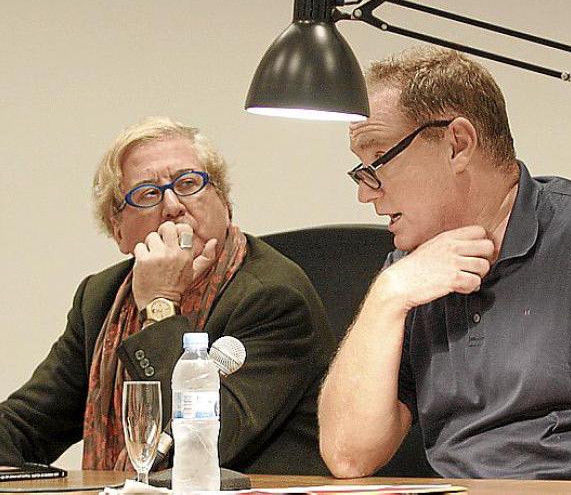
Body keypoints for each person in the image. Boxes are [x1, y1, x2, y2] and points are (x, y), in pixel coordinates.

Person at [318, 46, 571, 482]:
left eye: (378, 160)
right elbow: (348, 456)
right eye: (360, 169)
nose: (365, 192)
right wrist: (388, 295)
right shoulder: (411, 273)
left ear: (458, 144)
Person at [0, 116, 335, 475]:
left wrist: (159, 303)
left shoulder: (273, 296)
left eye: (188, 183)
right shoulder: (101, 298)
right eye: (148, 193)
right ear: (118, 229)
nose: (173, 206)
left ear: (225, 202)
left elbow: (201, 445)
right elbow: (28, 425)